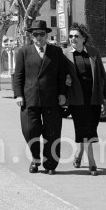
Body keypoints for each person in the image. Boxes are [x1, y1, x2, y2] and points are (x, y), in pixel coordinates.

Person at [14, 19, 68, 175]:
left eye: (41, 34)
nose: (38, 37)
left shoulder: (56, 52)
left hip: (51, 99)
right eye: (35, 34)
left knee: (52, 132)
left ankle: (50, 164)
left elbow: (61, 75)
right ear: (32, 36)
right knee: (30, 130)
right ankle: (35, 158)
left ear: (47, 35)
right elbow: (18, 76)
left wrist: (62, 94)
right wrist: (18, 95)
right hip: (29, 98)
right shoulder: (23, 52)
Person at [63, 23, 106, 176]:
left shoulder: (93, 52)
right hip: (76, 100)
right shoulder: (64, 54)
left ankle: (78, 155)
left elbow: (102, 75)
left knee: (91, 127)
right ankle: (92, 162)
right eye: (70, 36)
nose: (73, 39)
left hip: (93, 99)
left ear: (83, 38)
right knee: (84, 129)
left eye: (76, 36)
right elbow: (59, 74)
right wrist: (65, 80)